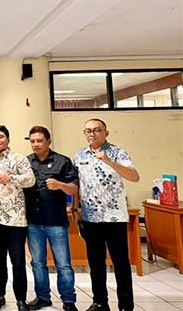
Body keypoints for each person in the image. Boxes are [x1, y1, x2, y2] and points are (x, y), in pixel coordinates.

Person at [74, 119, 140, 311]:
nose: (92, 134)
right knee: (96, 264)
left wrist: (109, 161)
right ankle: (100, 302)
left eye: (96, 130)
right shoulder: (79, 155)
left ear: (106, 133)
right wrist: (76, 209)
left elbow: (134, 176)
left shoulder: (118, 152)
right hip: (90, 218)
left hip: (114, 218)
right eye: (88, 131)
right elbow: (77, 184)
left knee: (121, 264)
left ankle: (126, 305)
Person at [0, 125, 35, 311]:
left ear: (8, 139)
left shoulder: (18, 158)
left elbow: (31, 180)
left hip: (15, 220)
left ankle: (21, 299)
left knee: (18, 262)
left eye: (0, 137)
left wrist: (11, 178)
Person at [24, 126, 79, 311]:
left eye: (39, 141)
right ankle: (42, 297)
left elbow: (74, 188)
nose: (36, 144)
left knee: (63, 264)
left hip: (56, 221)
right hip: (33, 221)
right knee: (38, 263)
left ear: (48, 141)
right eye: (32, 141)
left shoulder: (62, 161)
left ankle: (68, 300)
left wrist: (60, 185)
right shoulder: (26, 162)